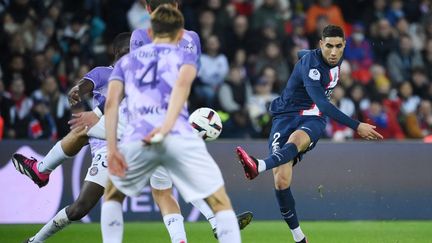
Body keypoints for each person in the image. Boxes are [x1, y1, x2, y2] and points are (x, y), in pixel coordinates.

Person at [71, 0, 253, 240]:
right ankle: (218, 229)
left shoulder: (129, 58)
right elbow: (183, 85)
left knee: (113, 196)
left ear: (148, 16)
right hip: (176, 132)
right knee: (219, 201)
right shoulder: (191, 40)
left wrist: (110, 143)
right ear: (178, 13)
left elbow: (114, 100)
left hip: (139, 134)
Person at [235, 25, 383, 243]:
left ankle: (259, 165)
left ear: (344, 46)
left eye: (338, 46)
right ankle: (299, 238)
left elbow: (317, 100)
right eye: (329, 46)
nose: (333, 52)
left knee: (297, 140)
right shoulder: (312, 67)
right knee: (281, 180)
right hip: (285, 116)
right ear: (321, 44)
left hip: (313, 118)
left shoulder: (332, 58)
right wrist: (356, 125)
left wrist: (300, 55)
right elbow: (323, 102)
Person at [12, 32, 131, 243]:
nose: (131, 58)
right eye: (127, 53)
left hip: (136, 143)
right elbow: (86, 84)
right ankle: (35, 240)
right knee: (80, 208)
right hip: (107, 146)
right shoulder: (105, 73)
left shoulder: (144, 79)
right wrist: (78, 89)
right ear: (117, 53)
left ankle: (41, 170)